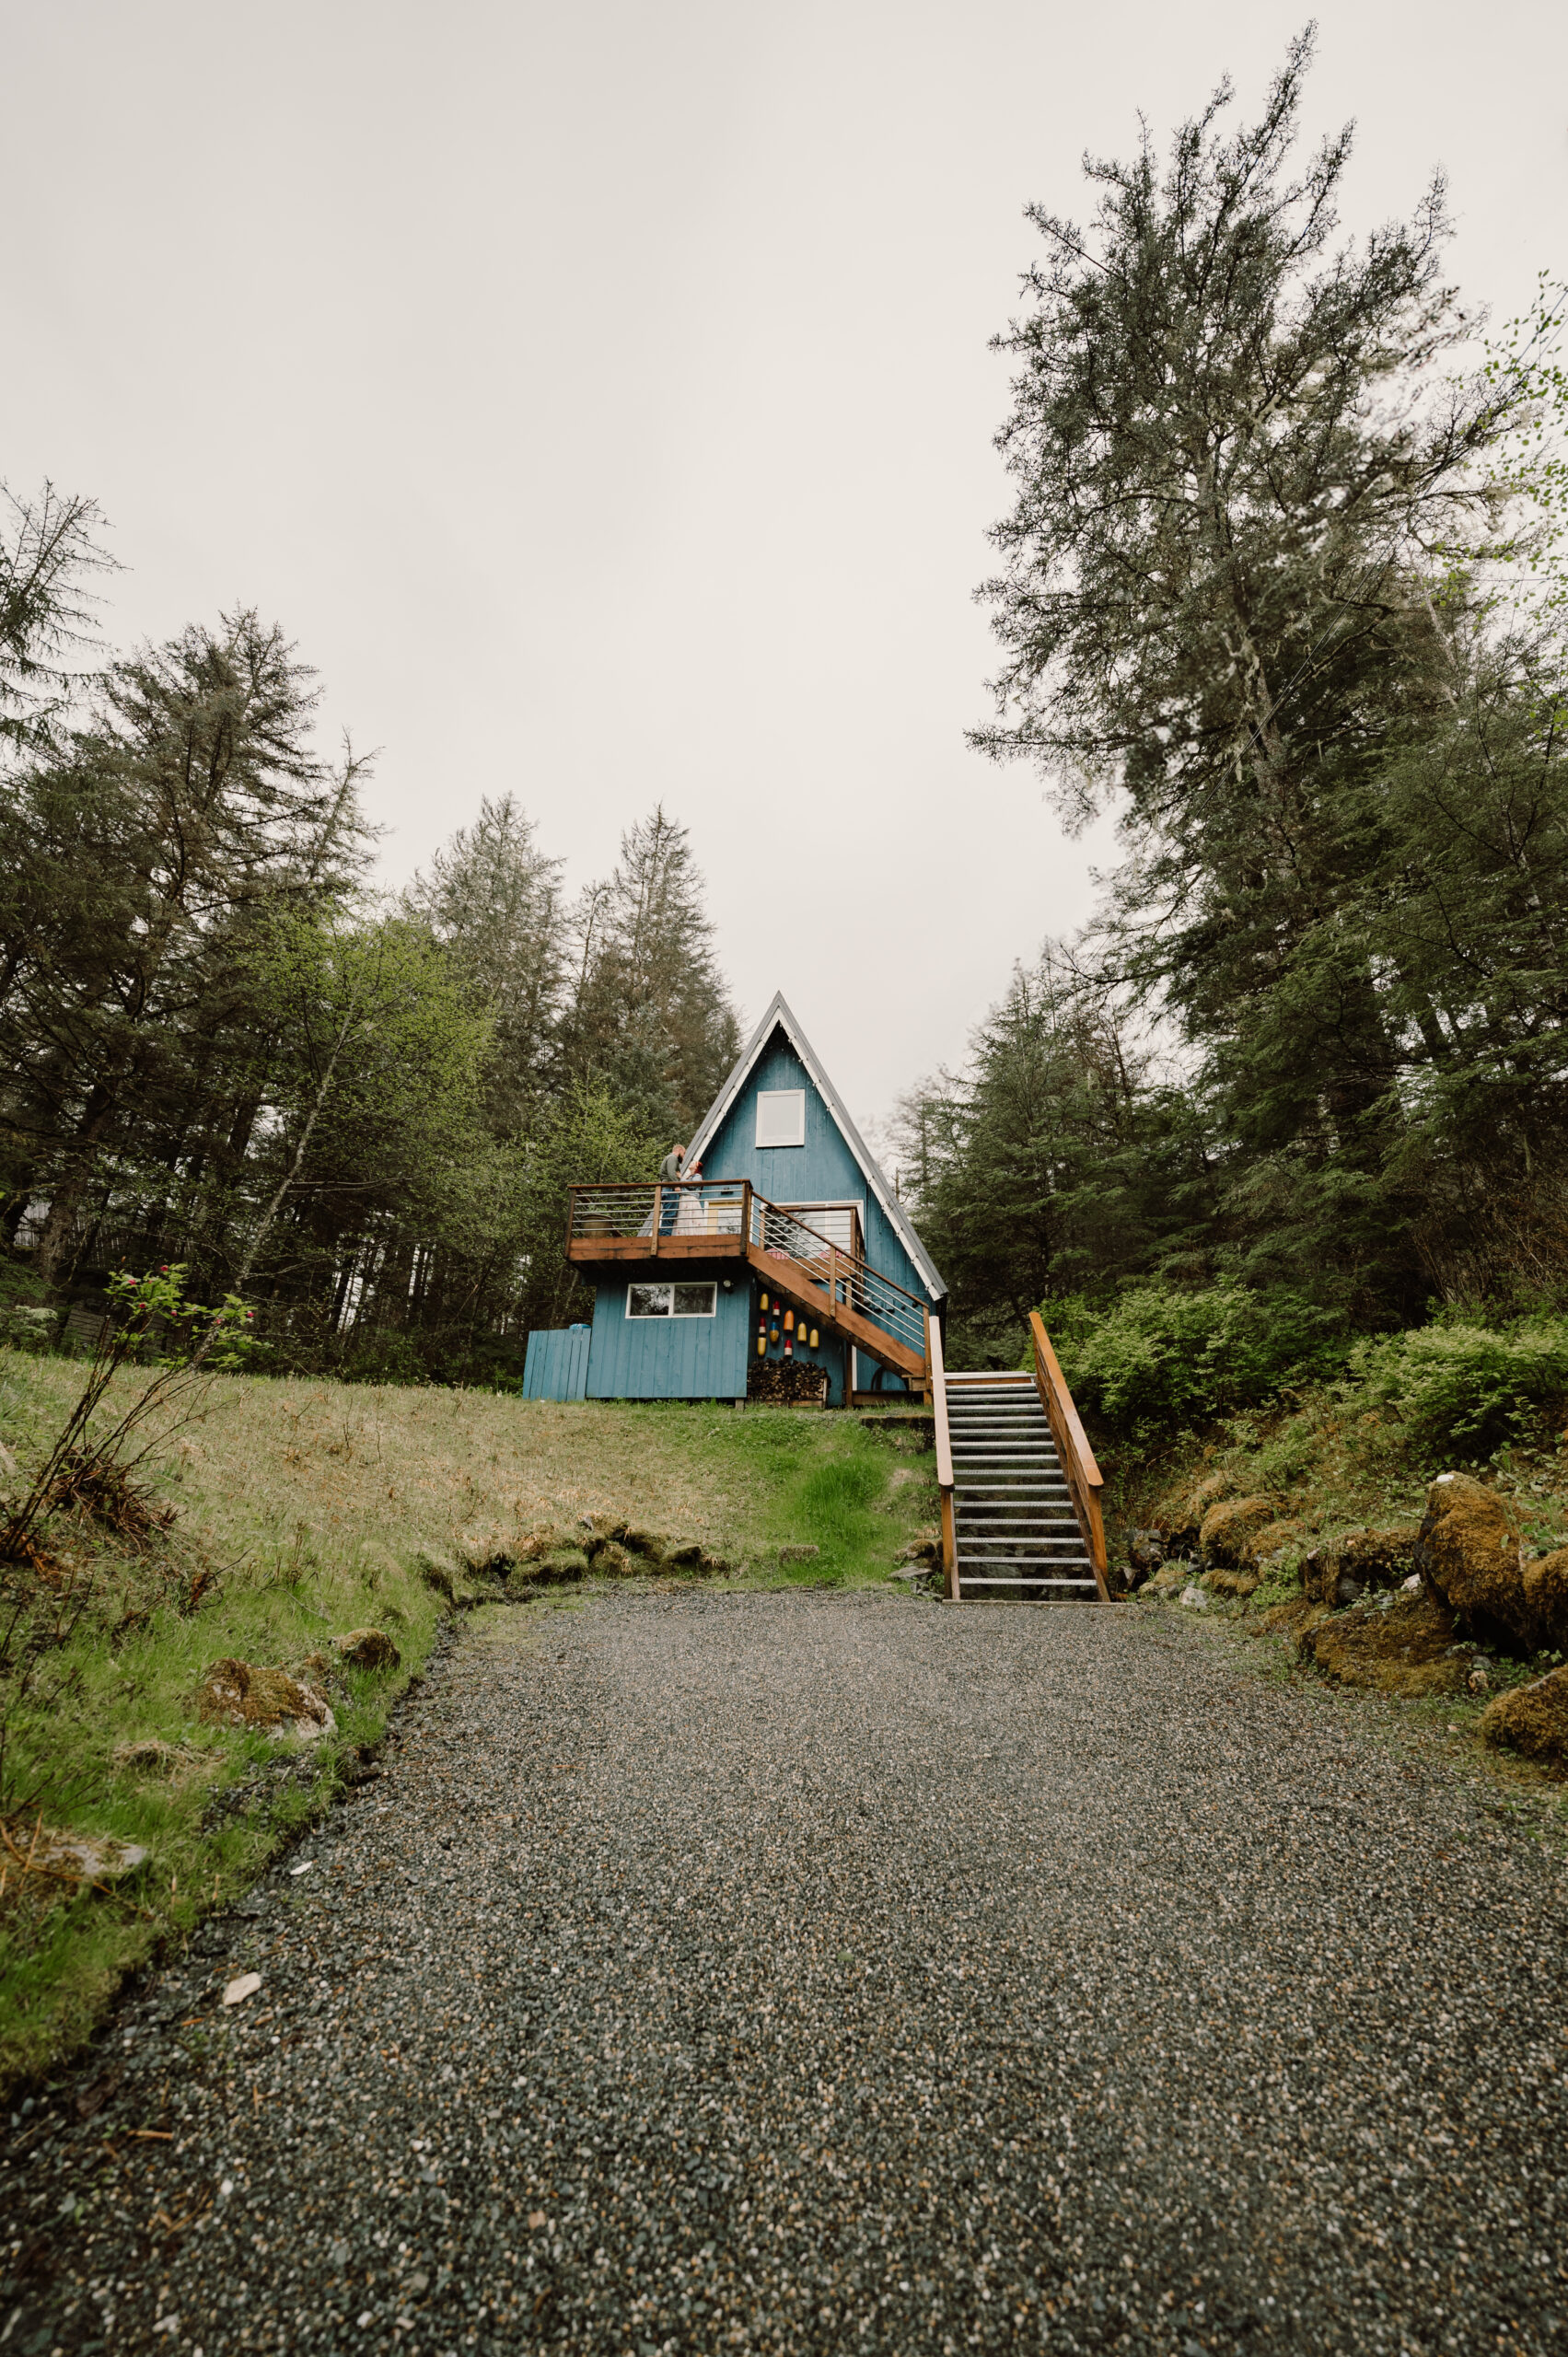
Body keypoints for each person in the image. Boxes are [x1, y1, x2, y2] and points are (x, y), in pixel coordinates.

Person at [658, 1143, 685, 1234]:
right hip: (670, 1189)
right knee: (670, 1214)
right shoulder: (672, 1158)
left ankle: (664, 1235)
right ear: (679, 1150)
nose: (683, 1156)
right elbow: (671, 1172)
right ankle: (664, 1237)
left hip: (667, 1188)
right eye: (684, 1153)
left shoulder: (668, 1158)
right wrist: (676, 1185)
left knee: (668, 1214)